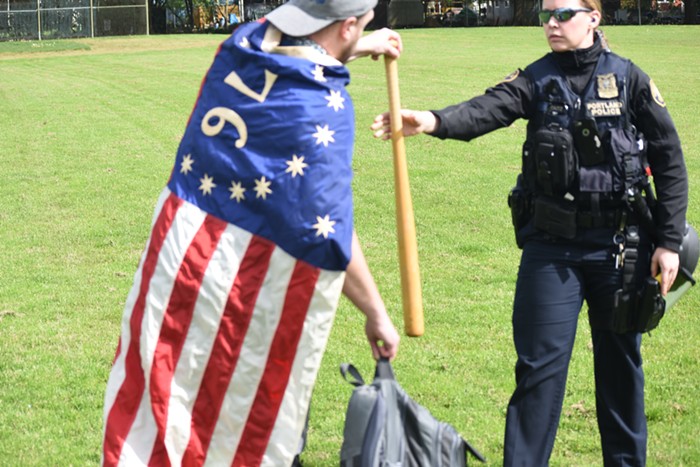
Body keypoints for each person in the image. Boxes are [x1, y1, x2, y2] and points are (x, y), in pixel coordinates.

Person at [371, 0, 687, 464]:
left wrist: (669, 243)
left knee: (621, 373)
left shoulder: (629, 79)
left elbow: (669, 160)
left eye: (563, 14)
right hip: (552, 251)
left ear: (594, 17)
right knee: (537, 373)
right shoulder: (536, 78)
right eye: (545, 16)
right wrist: (433, 121)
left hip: (620, 250)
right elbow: (488, 109)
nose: (552, 25)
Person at [101, 1, 402, 465]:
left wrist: (361, 45)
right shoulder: (319, 106)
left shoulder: (240, 46)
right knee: (240, 423)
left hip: (179, 263)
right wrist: (377, 314)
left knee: (170, 404)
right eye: (359, 26)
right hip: (247, 289)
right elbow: (328, 232)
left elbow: (297, 48)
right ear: (345, 26)